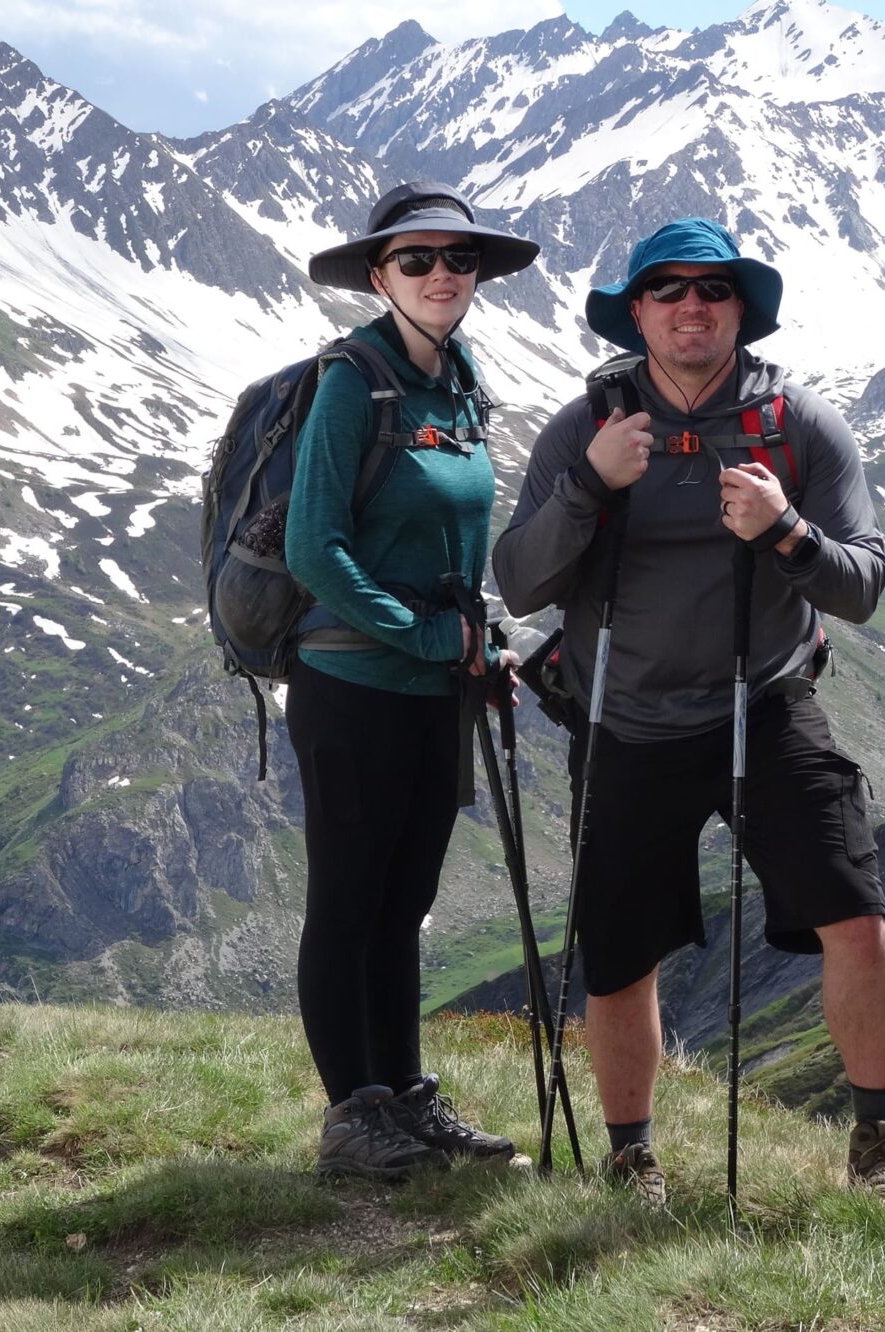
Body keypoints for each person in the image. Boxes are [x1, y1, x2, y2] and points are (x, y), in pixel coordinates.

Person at [493, 217, 885, 1208]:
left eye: (713, 289)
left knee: (853, 912)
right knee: (620, 956)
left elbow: (862, 586)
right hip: (625, 724)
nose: (692, 305)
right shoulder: (587, 426)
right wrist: (590, 486)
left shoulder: (799, 425)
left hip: (766, 706)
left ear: (740, 309)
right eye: (669, 289)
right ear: (637, 310)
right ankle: (631, 1159)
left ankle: (880, 1140)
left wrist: (786, 533)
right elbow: (519, 581)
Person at [286, 181, 537, 1181]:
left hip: (438, 688)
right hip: (351, 686)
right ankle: (352, 1116)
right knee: (348, 900)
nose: (442, 275)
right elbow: (316, 550)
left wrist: (481, 643)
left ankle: (406, 1096)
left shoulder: (462, 380)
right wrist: (426, 640)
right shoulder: (354, 381)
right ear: (381, 274)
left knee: (403, 902)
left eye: (459, 259)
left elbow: (454, 539)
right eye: (418, 259)